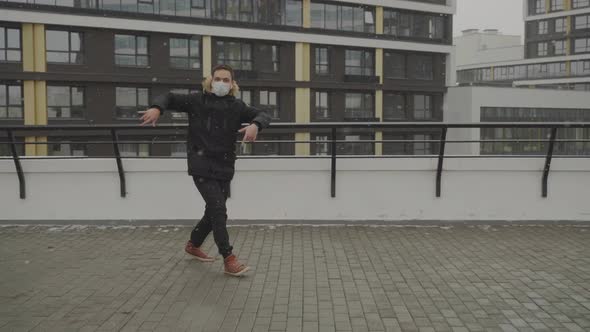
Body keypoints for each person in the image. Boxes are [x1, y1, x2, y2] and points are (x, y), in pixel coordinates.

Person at [139, 64, 271, 277]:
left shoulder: (237, 106)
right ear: (210, 81)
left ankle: (193, 244)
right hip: (201, 165)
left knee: (212, 212)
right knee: (218, 210)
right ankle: (229, 258)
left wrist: (256, 124)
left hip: (225, 166)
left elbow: (264, 114)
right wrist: (157, 108)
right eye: (217, 78)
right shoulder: (196, 100)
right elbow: (169, 97)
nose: (221, 83)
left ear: (232, 84)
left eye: (226, 80)